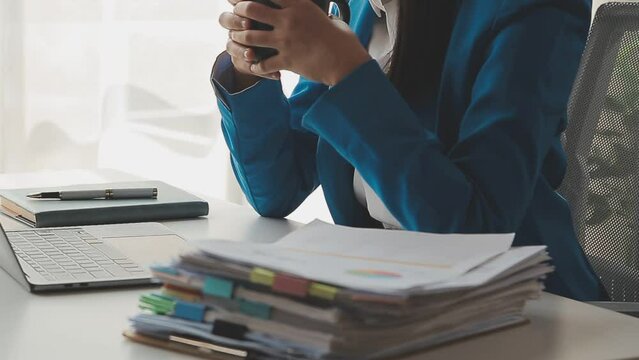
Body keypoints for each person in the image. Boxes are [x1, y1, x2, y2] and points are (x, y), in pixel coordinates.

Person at [211, 0, 606, 301]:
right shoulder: (367, 10)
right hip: (392, 298)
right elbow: (274, 190)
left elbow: (477, 229)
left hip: (528, 310)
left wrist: (344, 70)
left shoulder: (530, 9)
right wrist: (250, 62)